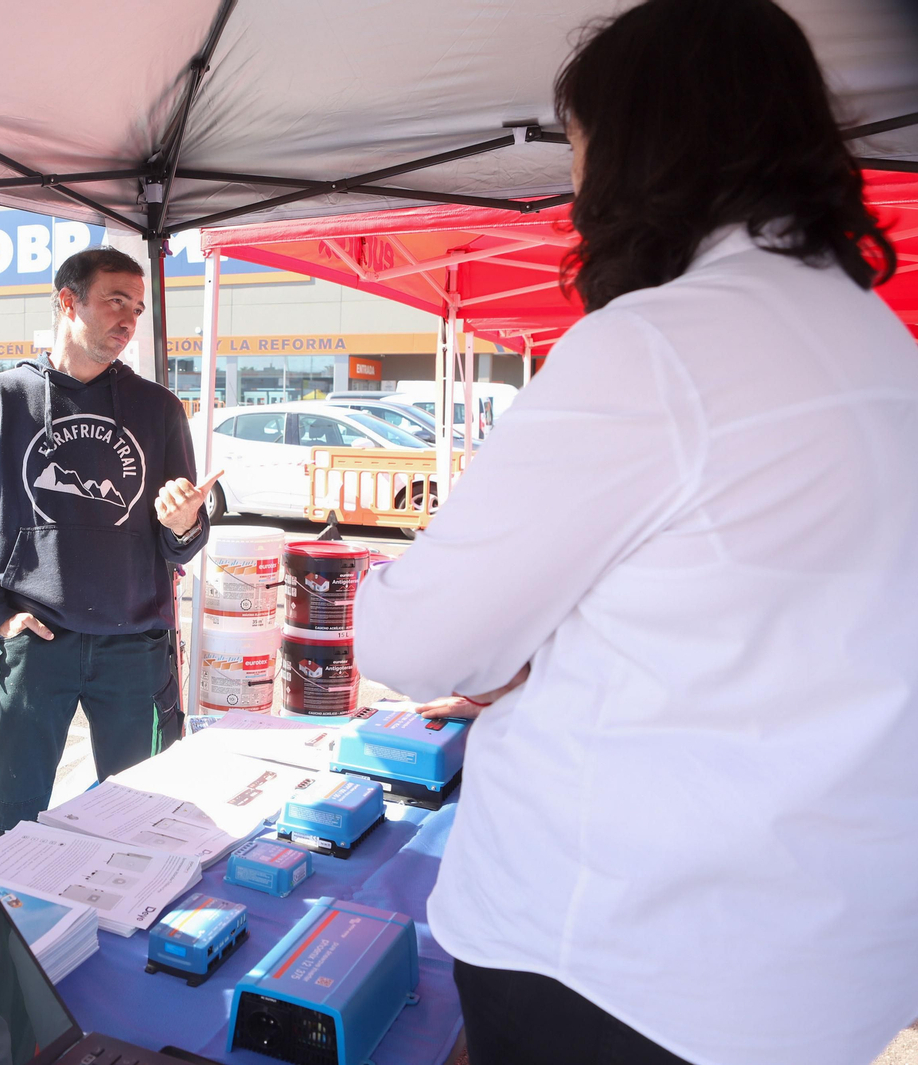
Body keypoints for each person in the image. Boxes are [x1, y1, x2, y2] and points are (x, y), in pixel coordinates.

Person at [353, 1, 916, 1063]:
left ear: (645, 146)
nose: (576, 185)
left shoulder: (658, 349)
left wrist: (438, 610)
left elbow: (420, 644)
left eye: (579, 146)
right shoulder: (881, 348)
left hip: (619, 963)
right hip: (825, 973)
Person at [0, 247, 212, 846]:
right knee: (12, 822)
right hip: (34, 645)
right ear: (68, 302)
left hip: (135, 647)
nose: (128, 320)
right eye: (114, 302)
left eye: (137, 309)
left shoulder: (159, 409)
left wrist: (183, 524)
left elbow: (181, 548)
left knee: (143, 823)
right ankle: (2, 934)